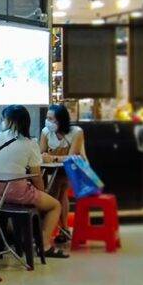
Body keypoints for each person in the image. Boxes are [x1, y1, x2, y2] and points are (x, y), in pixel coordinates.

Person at [0, 105, 67, 258]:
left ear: (10, 121)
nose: (2, 121)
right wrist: (43, 193)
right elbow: (36, 176)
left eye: (4, 119)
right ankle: (45, 244)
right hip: (17, 192)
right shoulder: (30, 144)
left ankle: (18, 240)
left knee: (11, 209)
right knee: (55, 205)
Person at [39, 103, 86, 242]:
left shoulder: (76, 132)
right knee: (59, 191)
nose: (48, 121)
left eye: (51, 119)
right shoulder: (46, 132)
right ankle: (62, 229)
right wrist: (50, 157)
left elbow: (72, 158)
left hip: (72, 170)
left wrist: (52, 157)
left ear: (61, 120)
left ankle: (52, 229)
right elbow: (41, 153)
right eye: (47, 118)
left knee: (58, 188)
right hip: (51, 170)